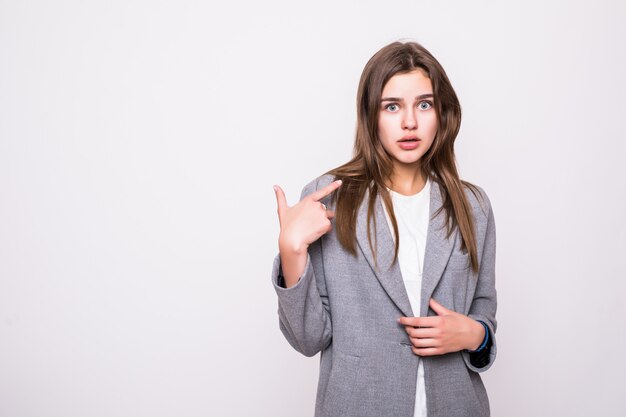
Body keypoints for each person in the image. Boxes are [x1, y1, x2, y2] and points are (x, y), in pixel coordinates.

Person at [271, 41, 497, 417]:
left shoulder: (473, 206)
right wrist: (291, 252)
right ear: (371, 115)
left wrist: (475, 335)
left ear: (442, 112)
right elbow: (309, 339)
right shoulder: (327, 199)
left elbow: (484, 310)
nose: (409, 122)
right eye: (392, 107)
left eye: (424, 104)